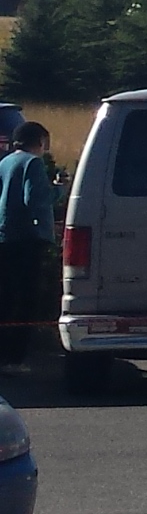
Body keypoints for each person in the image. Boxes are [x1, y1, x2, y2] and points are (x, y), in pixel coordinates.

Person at [0, 123, 53, 368]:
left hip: (4, 237)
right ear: (39, 141)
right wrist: (58, 191)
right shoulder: (33, 163)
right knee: (27, 300)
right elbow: (34, 199)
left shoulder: (5, 163)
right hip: (27, 240)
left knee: (6, 298)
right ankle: (15, 358)